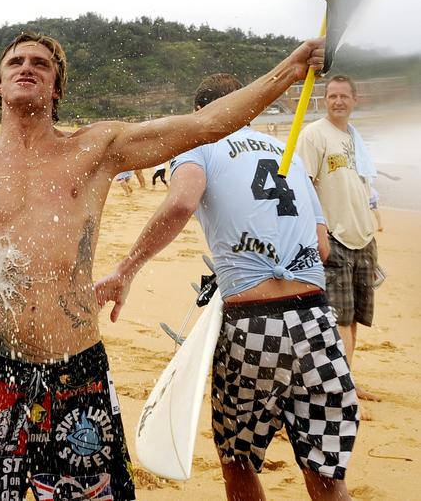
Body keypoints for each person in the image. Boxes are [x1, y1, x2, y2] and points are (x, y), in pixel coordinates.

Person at [0, 32, 324, 501]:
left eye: (42, 64)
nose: (28, 67)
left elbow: (206, 125)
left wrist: (290, 70)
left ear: (57, 89)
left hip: (78, 372)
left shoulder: (96, 149)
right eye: (16, 62)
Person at [97, 72, 357, 501]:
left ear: (205, 114)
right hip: (317, 323)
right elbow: (323, 248)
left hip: (253, 327)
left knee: (238, 460)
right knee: (327, 476)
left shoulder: (198, 144)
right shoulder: (287, 152)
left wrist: (126, 269)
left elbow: (181, 201)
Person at [296, 75, 380, 404]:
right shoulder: (314, 135)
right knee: (340, 317)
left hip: (363, 236)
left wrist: (372, 231)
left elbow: (362, 189)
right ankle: (341, 388)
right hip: (335, 236)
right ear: (324, 99)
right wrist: (317, 232)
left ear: (354, 100)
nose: (338, 101)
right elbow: (301, 186)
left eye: (344, 96)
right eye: (332, 96)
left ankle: (348, 378)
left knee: (356, 316)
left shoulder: (355, 138)